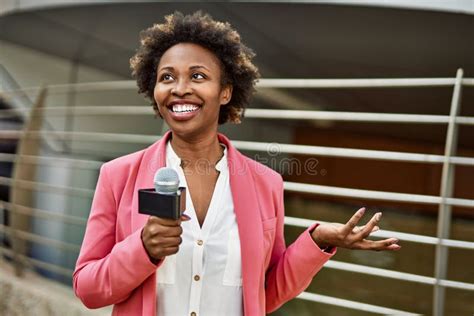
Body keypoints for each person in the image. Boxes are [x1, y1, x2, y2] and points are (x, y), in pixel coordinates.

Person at [73, 11, 400, 316]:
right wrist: (142, 248)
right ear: (154, 88)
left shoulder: (266, 183)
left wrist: (318, 241)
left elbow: (266, 293)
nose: (180, 89)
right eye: (167, 77)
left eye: (198, 76)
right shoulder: (118, 175)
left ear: (225, 92)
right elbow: (88, 289)